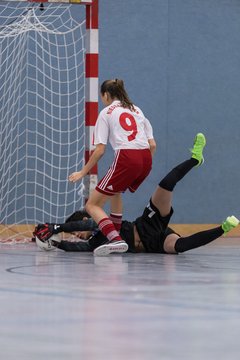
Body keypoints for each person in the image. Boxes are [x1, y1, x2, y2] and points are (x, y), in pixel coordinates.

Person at [34, 133, 239, 255]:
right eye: (75, 236)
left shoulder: (102, 224)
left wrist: (57, 227)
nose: (77, 236)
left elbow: (85, 224)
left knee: (166, 185)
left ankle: (195, 159)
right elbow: (81, 249)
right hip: (154, 244)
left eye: (75, 233)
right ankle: (223, 228)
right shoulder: (96, 242)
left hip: (147, 225)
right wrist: (55, 243)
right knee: (179, 246)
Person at [68, 79, 156, 256]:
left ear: (106, 95)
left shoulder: (106, 112)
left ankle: (115, 239)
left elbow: (100, 150)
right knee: (116, 191)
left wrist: (82, 172)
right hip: (146, 159)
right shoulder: (136, 109)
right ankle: (113, 233)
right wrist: (140, 164)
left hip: (127, 157)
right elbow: (152, 145)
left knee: (92, 204)